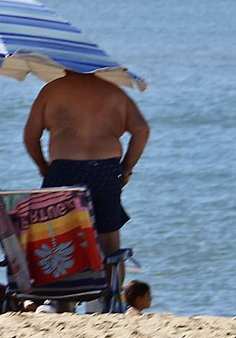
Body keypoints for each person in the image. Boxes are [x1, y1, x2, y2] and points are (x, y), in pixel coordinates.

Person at [23, 70, 150, 255]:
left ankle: (70, 281)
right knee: (109, 241)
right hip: (106, 170)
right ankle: (111, 282)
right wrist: (127, 168)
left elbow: (30, 136)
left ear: (65, 67)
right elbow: (142, 130)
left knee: (61, 235)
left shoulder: (51, 91)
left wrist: (43, 166)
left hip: (64, 170)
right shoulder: (114, 92)